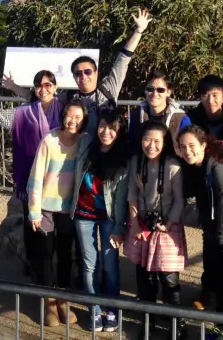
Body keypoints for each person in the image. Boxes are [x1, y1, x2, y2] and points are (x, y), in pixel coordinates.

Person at [177, 125, 223, 337]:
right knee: (220, 279)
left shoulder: (217, 168)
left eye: (192, 145)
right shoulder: (195, 168)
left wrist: (220, 239)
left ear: (203, 145)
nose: (187, 151)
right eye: (182, 147)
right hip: (216, 231)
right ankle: (221, 328)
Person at [27, 99, 88, 326]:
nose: (73, 121)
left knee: (65, 255)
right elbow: (35, 177)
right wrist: (34, 211)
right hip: (44, 208)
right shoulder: (49, 140)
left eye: (78, 117)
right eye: (69, 115)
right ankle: (48, 301)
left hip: (68, 208)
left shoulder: (84, 142)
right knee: (45, 254)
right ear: (63, 116)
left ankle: (64, 298)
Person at [70, 108, 130, 333]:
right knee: (89, 263)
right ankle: (94, 309)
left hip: (109, 216)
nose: (106, 132)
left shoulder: (123, 158)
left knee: (110, 263)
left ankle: (112, 309)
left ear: (119, 130)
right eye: (102, 126)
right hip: (83, 213)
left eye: (112, 128)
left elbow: (121, 198)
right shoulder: (87, 145)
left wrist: (119, 227)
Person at [125, 121, 186, 337]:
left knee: (169, 279)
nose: (151, 145)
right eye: (146, 139)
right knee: (144, 278)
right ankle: (148, 322)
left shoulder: (173, 166)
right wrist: (134, 223)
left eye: (157, 141)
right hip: (142, 225)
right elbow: (132, 193)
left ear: (165, 142)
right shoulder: (137, 161)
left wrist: (168, 224)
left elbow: (179, 200)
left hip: (167, 226)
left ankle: (177, 325)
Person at [0, 68, 62, 205]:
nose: (43, 89)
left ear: (55, 87)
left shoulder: (66, 110)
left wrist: (13, 86)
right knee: (31, 215)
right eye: (38, 85)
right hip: (31, 176)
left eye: (48, 85)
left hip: (59, 176)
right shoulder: (24, 112)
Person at [69, 8, 153, 130]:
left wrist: (139, 31)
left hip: (107, 140)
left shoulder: (108, 88)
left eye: (87, 72)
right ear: (74, 77)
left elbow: (123, 59)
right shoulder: (70, 98)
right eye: (78, 73)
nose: (83, 76)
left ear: (96, 73)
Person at [128, 70, 191, 159]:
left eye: (160, 90)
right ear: (145, 91)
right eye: (150, 89)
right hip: (142, 165)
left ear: (169, 92)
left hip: (172, 164)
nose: (154, 94)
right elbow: (132, 145)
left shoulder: (181, 119)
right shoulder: (137, 115)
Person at [187, 75, 223, 141]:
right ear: (200, 97)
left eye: (215, 95)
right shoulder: (191, 118)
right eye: (205, 96)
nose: (210, 101)